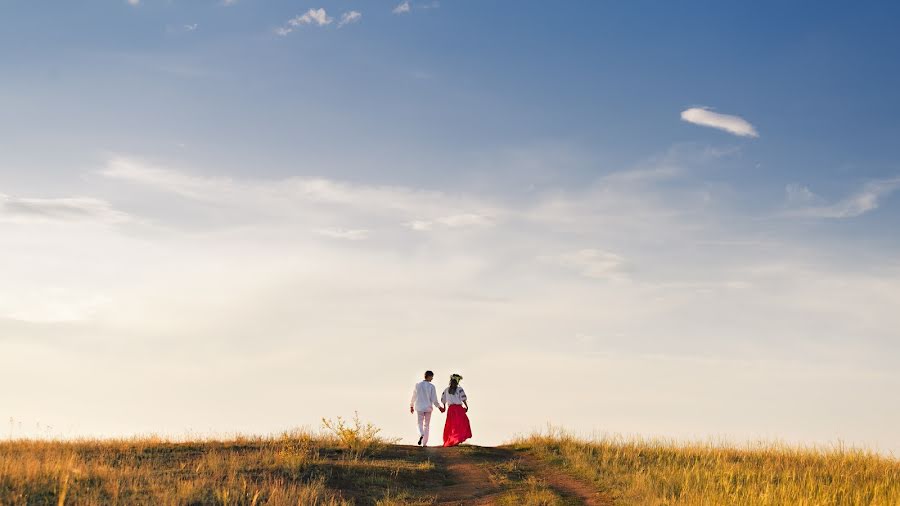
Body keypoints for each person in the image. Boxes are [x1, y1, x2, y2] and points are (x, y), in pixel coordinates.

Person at [409, 370, 444, 447]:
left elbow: (414, 396)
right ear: (429, 376)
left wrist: (411, 405)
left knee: (419, 423)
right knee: (427, 425)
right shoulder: (431, 386)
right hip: (428, 408)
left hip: (419, 407)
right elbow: (434, 399)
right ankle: (424, 443)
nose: (432, 378)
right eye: (432, 377)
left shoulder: (417, 385)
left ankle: (421, 434)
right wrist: (439, 407)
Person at [441, 373, 472, 447]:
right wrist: (467, 406)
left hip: (451, 409)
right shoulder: (459, 389)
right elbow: (463, 398)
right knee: (461, 423)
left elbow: (443, 399)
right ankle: (457, 439)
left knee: (451, 425)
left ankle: (453, 439)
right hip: (458, 409)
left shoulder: (446, 390)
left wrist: (444, 407)